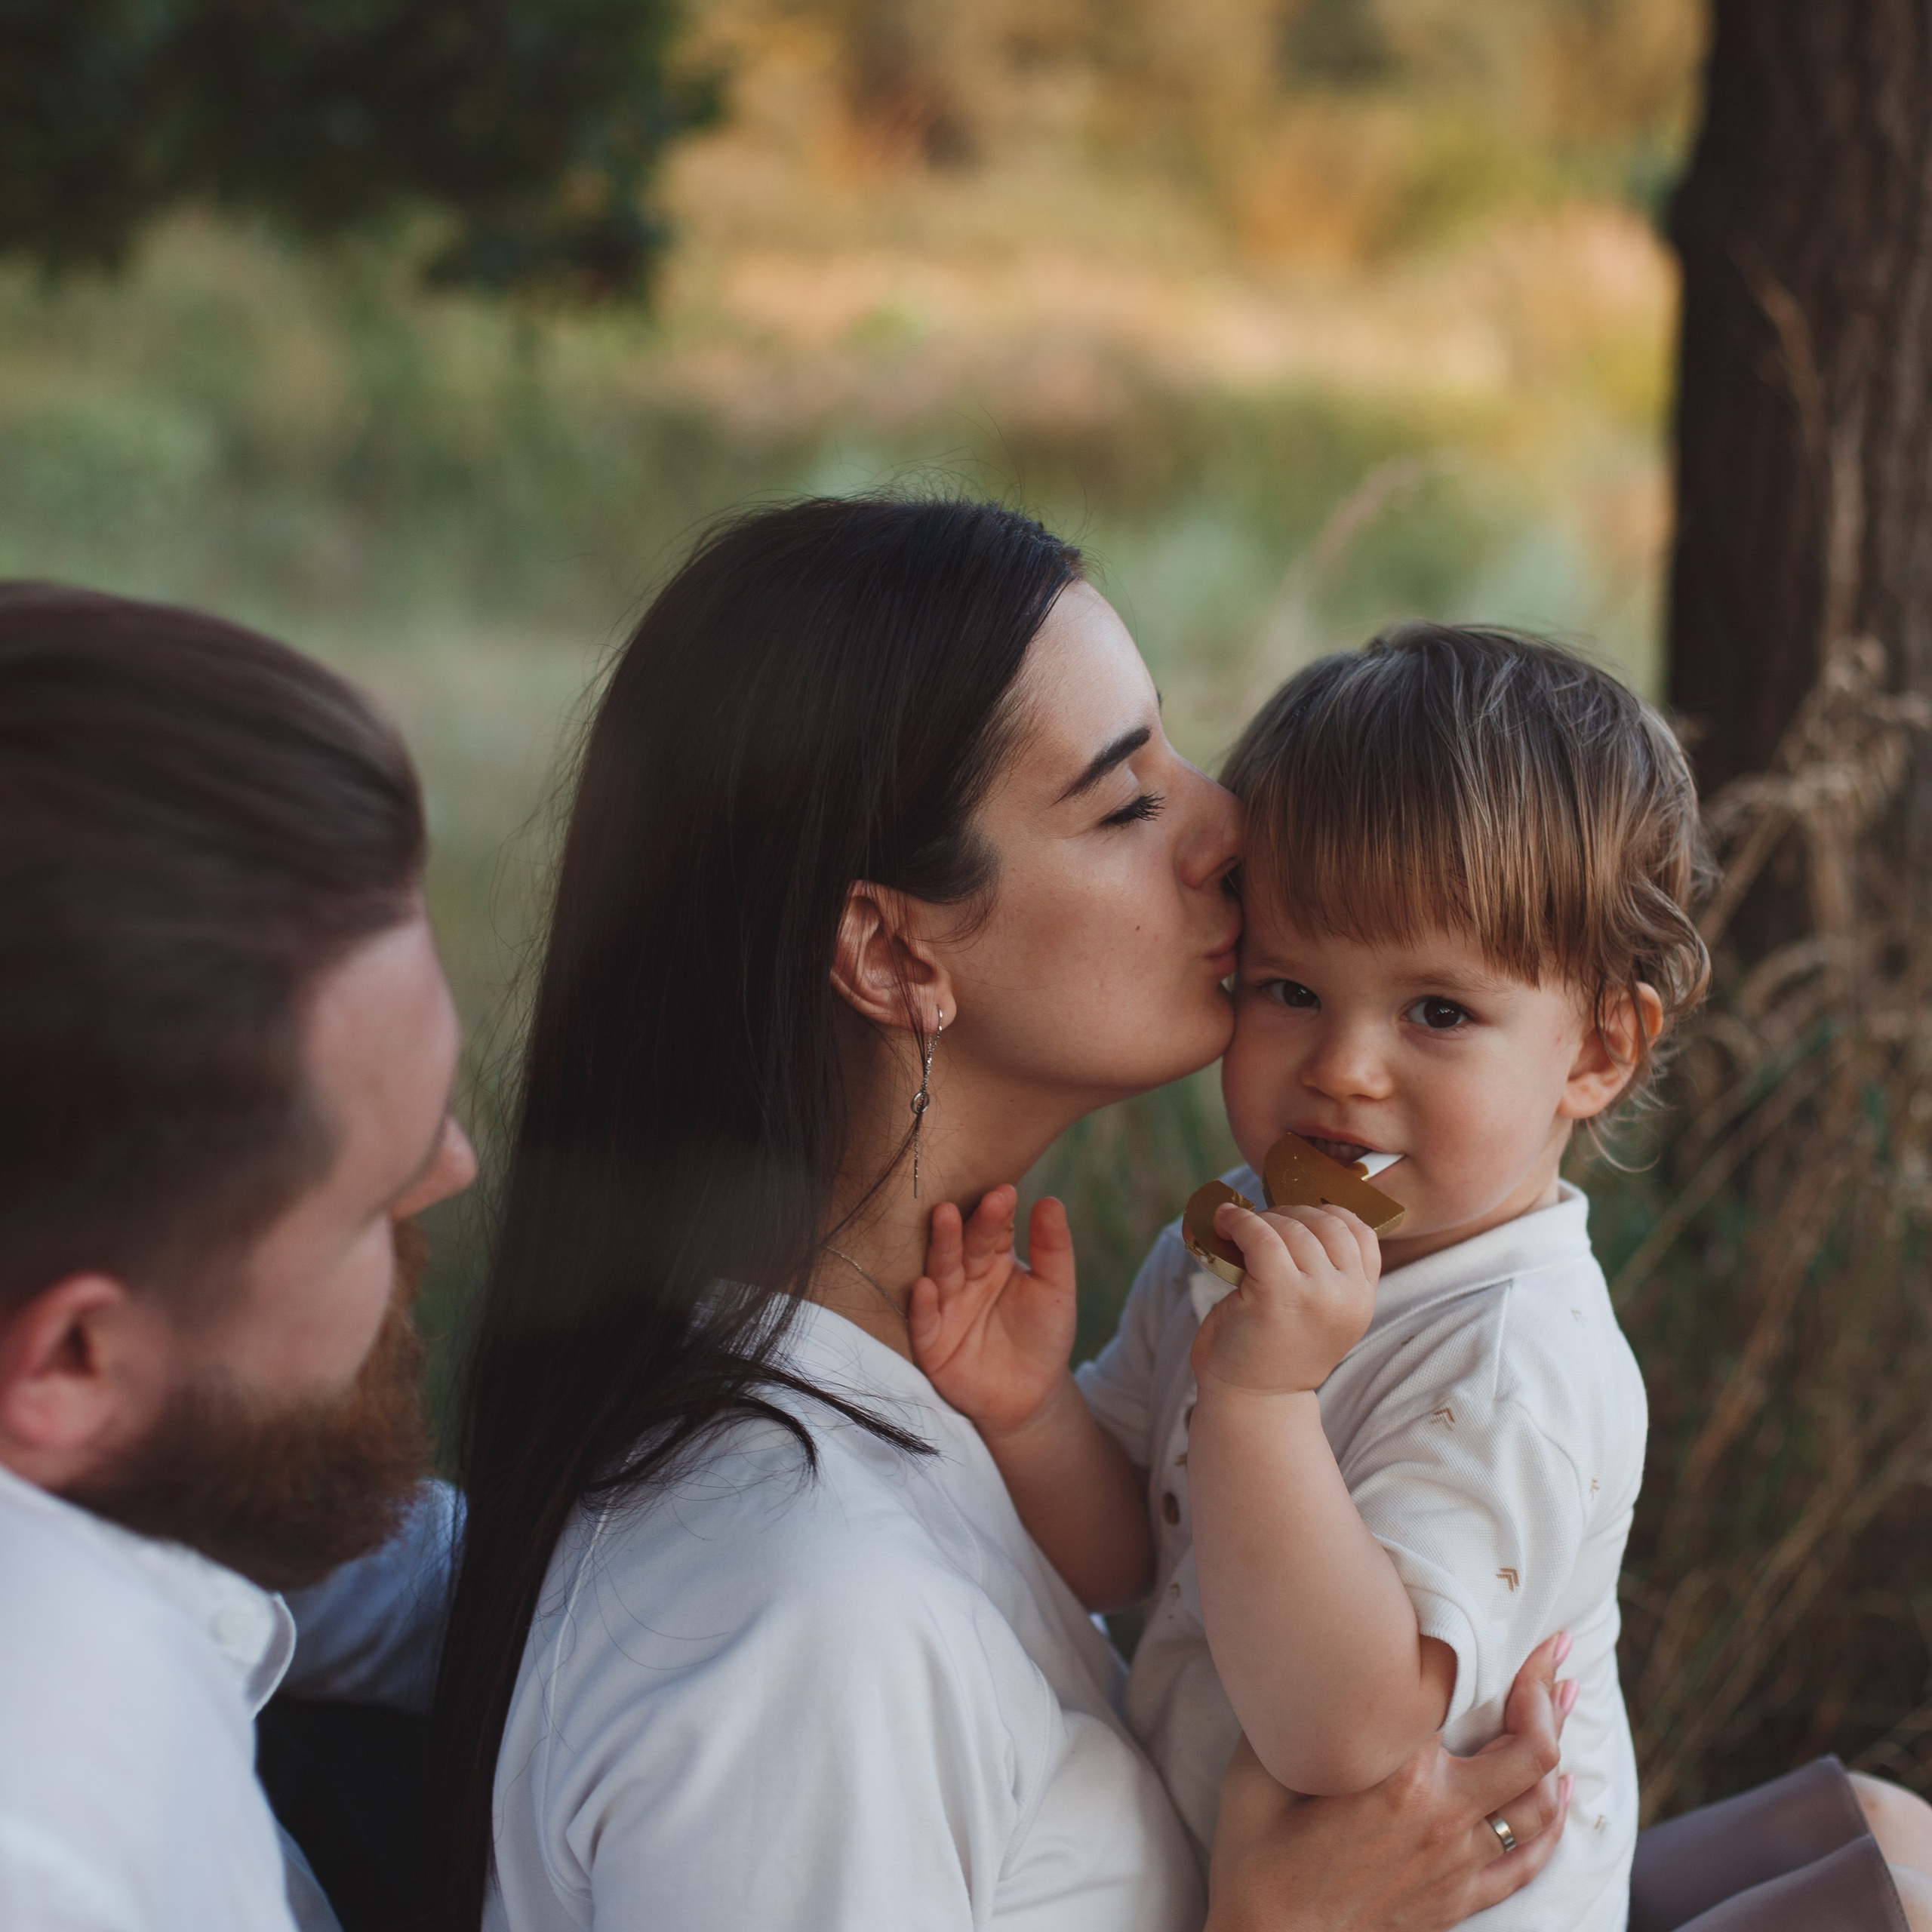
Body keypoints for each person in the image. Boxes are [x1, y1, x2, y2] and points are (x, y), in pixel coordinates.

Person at [429, 497, 1574, 1932]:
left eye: (1173, 745)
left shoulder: (922, 1400)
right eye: (1127, 798)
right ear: (893, 950)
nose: (1231, 825)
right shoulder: (802, 1624)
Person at [912, 624, 1932, 1932]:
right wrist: (1030, 1412)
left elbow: (1347, 1731)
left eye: (1437, 1013)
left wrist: (1264, 1396)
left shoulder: (1516, 1363)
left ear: (1598, 1050)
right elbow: (1134, 1548)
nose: (1344, 1065)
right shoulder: (1242, 1238)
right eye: (1287, 987)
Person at [0, 584, 474, 1931]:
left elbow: (370, 1584)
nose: (457, 1169)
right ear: (74, 1361)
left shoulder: (112, 1459)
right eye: (377, 1194)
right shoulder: (55, 1834)